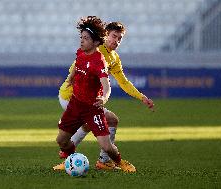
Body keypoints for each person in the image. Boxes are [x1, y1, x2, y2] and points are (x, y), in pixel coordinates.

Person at [55, 21, 154, 170]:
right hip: (71, 97)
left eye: (120, 38)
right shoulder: (95, 48)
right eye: (114, 36)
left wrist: (141, 96)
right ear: (105, 35)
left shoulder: (113, 58)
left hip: (88, 100)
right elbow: (78, 65)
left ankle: (79, 156)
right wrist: (71, 79)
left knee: (104, 121)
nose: (117, 41)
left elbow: (123, 82)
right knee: (104, 121)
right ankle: (99, 160)